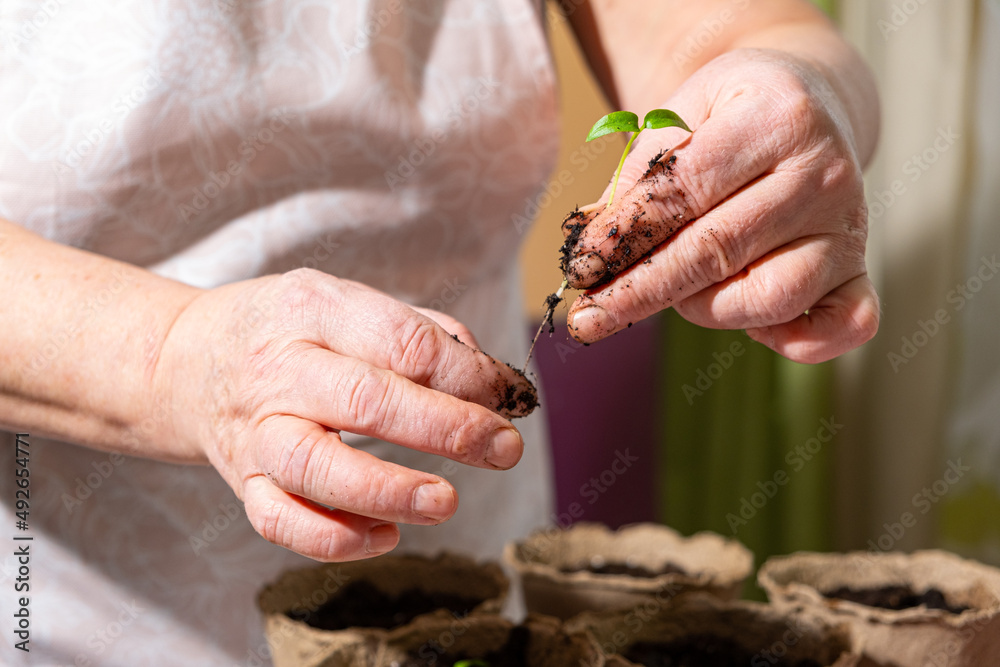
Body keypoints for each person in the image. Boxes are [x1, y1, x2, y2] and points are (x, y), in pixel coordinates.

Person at [0, 0, 879, 663]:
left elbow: (743, 27)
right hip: (67, 605)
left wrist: (803, 90)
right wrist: (170, 353)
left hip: (457, 576)